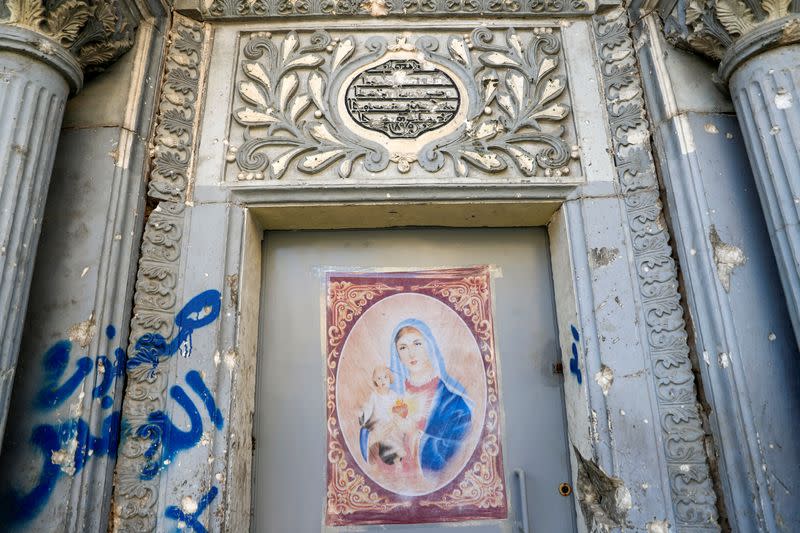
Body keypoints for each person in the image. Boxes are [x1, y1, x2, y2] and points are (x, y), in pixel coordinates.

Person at [382, 319, 472, 479]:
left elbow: (457, 456)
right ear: (397, 355)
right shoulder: (390, 399)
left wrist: (414, 435)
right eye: (403, 347)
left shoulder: (455, 404)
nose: (411, 353)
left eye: (417, 344)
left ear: (429, 346)